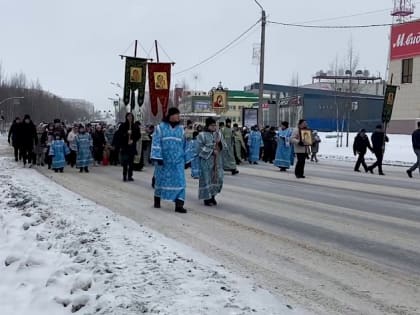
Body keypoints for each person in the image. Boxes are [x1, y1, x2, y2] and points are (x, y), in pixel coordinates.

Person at [151, 107, 192, 213]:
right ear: (170, 115)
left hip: (178, 161)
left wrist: (187, 160)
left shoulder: (181, 130)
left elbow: (186, 145)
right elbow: (156, 142)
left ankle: (179, 205)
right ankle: (157, 200)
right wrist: (158, 157)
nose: (178, 116)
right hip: (164, 161)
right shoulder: (160, 128)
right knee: (161, 181)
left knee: (180, 182)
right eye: (176, 114)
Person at [197, 117, 225, 206]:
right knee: (207, 179)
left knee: (218, 178)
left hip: (217, 161)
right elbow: (198, 149)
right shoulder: (201, 135)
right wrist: (211, 151)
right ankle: (207, 198)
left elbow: (224, 145)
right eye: (212, 125)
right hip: (206, 161)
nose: (214, 127)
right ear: (207, 125)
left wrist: (220, 144)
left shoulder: (218, 134)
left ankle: (213, 196)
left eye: (215, 125)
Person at [118, 113, 141, 181]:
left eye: (131, 116)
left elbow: (138, 135)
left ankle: (130, 175)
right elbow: (119, 135)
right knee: (125, 161)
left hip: (132, 146)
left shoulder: (135, 126)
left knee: (131, 162)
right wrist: (126, 133)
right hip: (125, 146)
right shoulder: (123, 125)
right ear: (126, 117)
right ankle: (124, 175)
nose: (130, 118)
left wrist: (133, 140)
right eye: (128, 116)